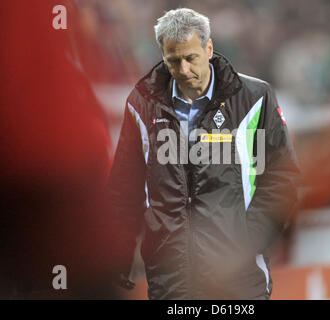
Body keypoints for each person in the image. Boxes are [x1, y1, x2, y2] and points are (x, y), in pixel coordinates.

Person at [108, 8, 300, 300]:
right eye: (173, 61)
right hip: (171, 281)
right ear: (162, 56)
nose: (183, 69)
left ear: (209, 49)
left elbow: (281, 176)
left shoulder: (254, 99)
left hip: (239, 279)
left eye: (190, 58)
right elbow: (125, 187)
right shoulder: (141, 104)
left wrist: (249, 241)